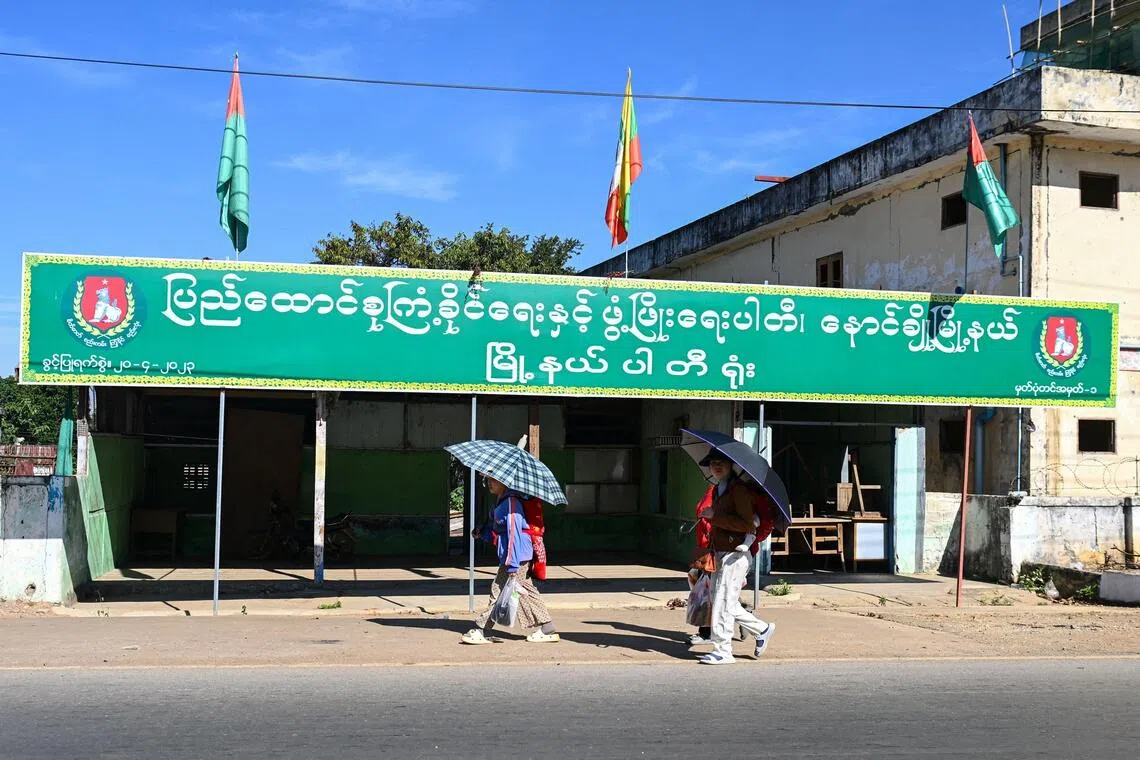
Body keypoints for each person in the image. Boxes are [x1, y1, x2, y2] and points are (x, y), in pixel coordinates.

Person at [696, 448, 776, 665]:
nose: (716, 466)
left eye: (722, 462)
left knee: (722, 602)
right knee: (723, 602)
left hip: (735, 554)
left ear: (732, 466)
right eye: (712, 463)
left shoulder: (738, 490)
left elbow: (747, 525)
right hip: (720, 552)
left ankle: (723, 650)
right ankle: (762, 629)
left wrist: (716, 517)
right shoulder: (719, 490)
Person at [461, 475, 559, 645]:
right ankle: (547, 628)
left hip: (516, 557)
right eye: (487, 480)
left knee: (499, 590)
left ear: (504, 481)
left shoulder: (511, 502)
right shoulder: (501, 501)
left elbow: (514, 534)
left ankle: (482, 629)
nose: (489, 483)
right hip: (515, 556)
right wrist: (482, 532)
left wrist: (513, 566)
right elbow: (499, 530)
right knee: (526, 592)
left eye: (493, 480)